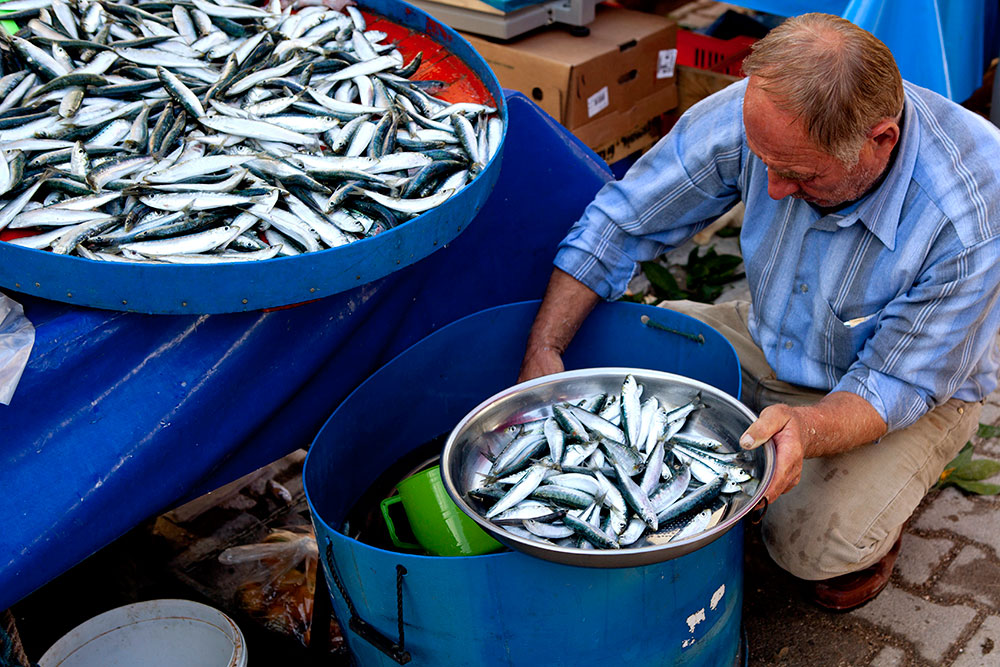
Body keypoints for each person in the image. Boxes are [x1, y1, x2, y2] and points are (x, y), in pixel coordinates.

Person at [518, 13, 1000, 610]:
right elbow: (622, 220)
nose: (769, 190)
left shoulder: (973, 214)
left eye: (799, 175)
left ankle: (883, 506)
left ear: (881, 140)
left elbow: (895, 382)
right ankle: (766, 426)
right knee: (592, 365)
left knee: (811, 544)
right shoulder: (764, 113)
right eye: (764, 161)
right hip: (772, 334)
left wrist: (808, 428)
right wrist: (546, 346)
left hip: (907, 386)